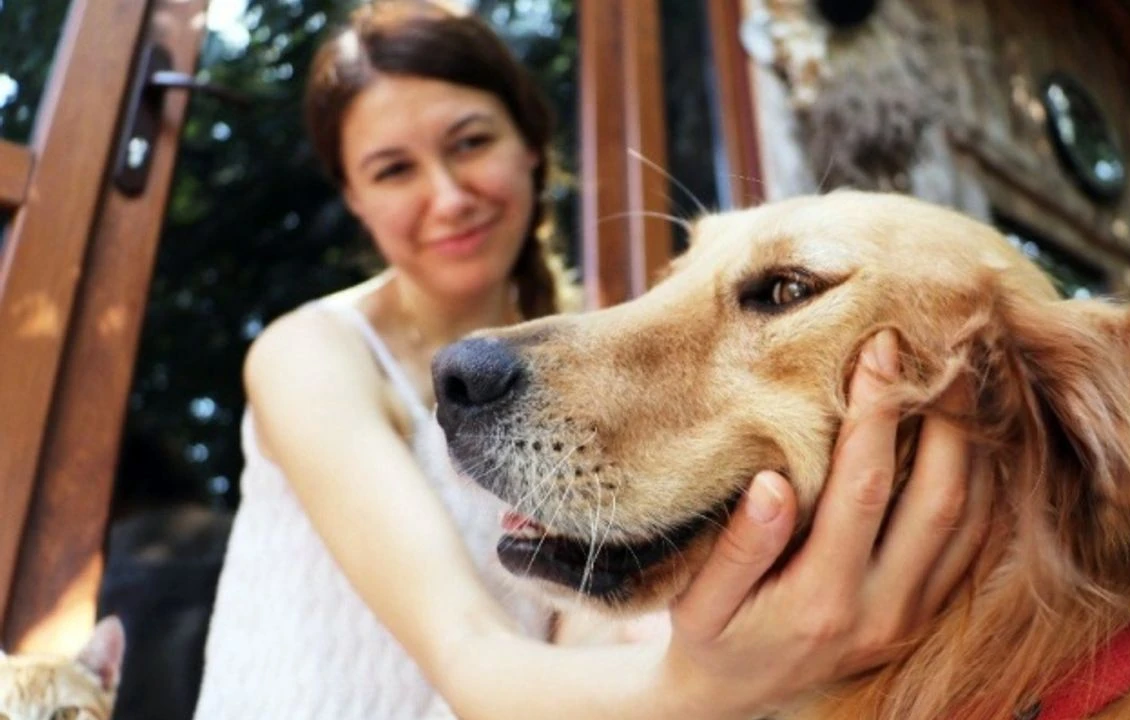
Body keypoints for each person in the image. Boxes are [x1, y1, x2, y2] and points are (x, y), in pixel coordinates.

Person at [193, 2, 992, 718]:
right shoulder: (309, 350)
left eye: (470, 143)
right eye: (393, 170)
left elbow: (589, 641)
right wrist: (713, 681)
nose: (448, 196)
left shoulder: (586, 372)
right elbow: (470, 655)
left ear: (533, 150)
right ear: (356, 199)